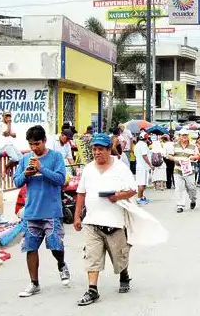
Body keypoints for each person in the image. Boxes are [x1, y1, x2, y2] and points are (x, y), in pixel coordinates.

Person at [72, 133, 138, 305]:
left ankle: (124, 274)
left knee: (119, 257)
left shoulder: (120, 168)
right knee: (91, 257)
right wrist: (77, 216)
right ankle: (92, 289)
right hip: (92, 221)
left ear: (109, 150)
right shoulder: (88, 169)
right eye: (94, 149)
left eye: (100, 149)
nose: (97, 152)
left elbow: (133, 190)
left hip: (114, 222)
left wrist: (118, 196)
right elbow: (81, 193)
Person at [13, 125, 70, 298]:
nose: (34, 148)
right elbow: (17, 182)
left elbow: (60, 180)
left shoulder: (56, 157)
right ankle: (34, 283)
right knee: (30, 248)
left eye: (37, 144)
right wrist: (26, 174)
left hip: (51, 211)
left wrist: (41, 169)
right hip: (31, 211)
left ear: (44, 141)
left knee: (55, 245)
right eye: (31, 144)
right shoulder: (25, 159)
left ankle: (61, 264)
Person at [170, 131, 199, 213]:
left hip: (189, 171)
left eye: (186, 135)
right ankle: (180, 205)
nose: (184, 137)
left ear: (188, 136)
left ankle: (193, 199)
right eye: (183, 135)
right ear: (179, 136)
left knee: (191, 187)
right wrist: (175, 159)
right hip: (178, 170)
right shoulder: (174, 145)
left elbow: (198, 155)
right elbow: (169, 155)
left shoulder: (193, 146)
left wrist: (193, 157)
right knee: (179, 188)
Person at [133, 132, 153, 204]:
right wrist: (150, 165)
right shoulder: (144, 145)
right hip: (143, 167)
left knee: (141, 183)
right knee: (142, 183)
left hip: (139, 165)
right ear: (146, 138)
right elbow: (144, 156)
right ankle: (139, 198)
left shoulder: (137, 145)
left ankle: (141, 197)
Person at [0, 111, 21, 176]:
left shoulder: (9, 125)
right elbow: (6, 134)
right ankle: (6, 168)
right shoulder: (1, 125)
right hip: (4, 145)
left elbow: (14, 135)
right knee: (14, 158)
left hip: (11, 144)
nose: (8, 118)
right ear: (3, 117)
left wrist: (9, 129)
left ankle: (9, 167)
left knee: (21, 158)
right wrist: (9, 124)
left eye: (9, 116)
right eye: (6, 116)